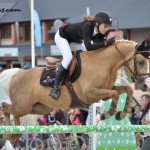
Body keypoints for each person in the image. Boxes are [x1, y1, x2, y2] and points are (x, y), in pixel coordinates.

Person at [49, 11, 115, 100]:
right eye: (105, 26)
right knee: (68, 57)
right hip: (62, 37)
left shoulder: (102, 32)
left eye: (108, 27)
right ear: (97, 23)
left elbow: (100, 49)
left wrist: (110, 45)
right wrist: (106, 43)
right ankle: (55, 88)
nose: (106, 29)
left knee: (87, 54)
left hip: (73, 40)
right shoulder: (87, 26)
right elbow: (89, 47)